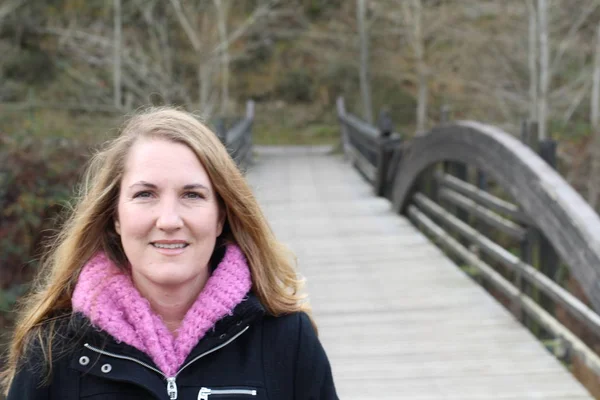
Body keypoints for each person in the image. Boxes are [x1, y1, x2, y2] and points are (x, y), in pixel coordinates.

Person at [1, 107, 338, 399]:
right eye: (145, 194)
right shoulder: (49, 352)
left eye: (192, 195)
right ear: (115, 216)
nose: (169, 220)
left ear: (221, 215)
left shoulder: (288, 341)